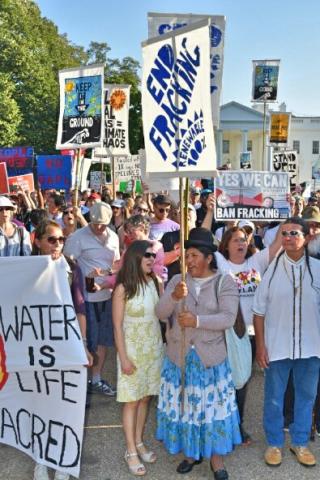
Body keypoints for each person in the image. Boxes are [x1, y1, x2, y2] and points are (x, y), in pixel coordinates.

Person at [156, 228, 241, 480]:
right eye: (187, 256)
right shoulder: (177, 281)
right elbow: (160, 313)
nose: (189, 261)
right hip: (179, 358)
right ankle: (191, 454)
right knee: (186, 409)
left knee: (212, 410)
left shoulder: (224, 282)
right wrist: (173, 296)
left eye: (193, 255)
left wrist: (197, 320)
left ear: (208, 258)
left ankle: (216, 459)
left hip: (210, 361)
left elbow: (227, 318)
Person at [253, 217, 320, 468]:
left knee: (306, 396)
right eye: (284, 234)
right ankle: (274, 443)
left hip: (312, 348)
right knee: (273, 397)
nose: (289, 237)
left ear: (307, 238)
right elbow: (258, 313)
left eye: (294, 233)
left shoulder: (318, 269)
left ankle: (300, 442)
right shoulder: (270, 270)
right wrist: (260, 346)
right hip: (277, 346)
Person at [32, 219, 92, 480]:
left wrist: (84, 345)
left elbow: (80, 309)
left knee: (65, 402)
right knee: (39, 403)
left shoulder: (71, 268)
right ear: (38, 240)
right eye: (51, 239)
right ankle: (40, 459)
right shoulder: (23, 268)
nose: (58, 244)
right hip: (35, 345)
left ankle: (64, 462)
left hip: (65, 344)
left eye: (61, 239)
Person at [112, 240, 164, 476]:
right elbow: (116, 326)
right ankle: (131, 450)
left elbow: (163, 317)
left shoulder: (156, 282)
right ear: (135, 258)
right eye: (147, 256)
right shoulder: (123, 287)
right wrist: (123, 358)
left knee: (145, 399)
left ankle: (140, 442)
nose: (152, 259)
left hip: (153, 350)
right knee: (131, 400)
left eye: (153, 255)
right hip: (131, 352)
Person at [64, 202, 120, 396]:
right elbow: (66, 263)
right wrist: (83, 274)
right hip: (85, 298)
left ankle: (95, 379)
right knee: (86, 341)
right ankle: (82, 383)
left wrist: (108, 275)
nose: (98, 227)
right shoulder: (77, 237)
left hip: (107, 295)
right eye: (95, 223)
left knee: (103, 341)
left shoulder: (113, 237)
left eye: (102, 224)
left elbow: (116, 263)